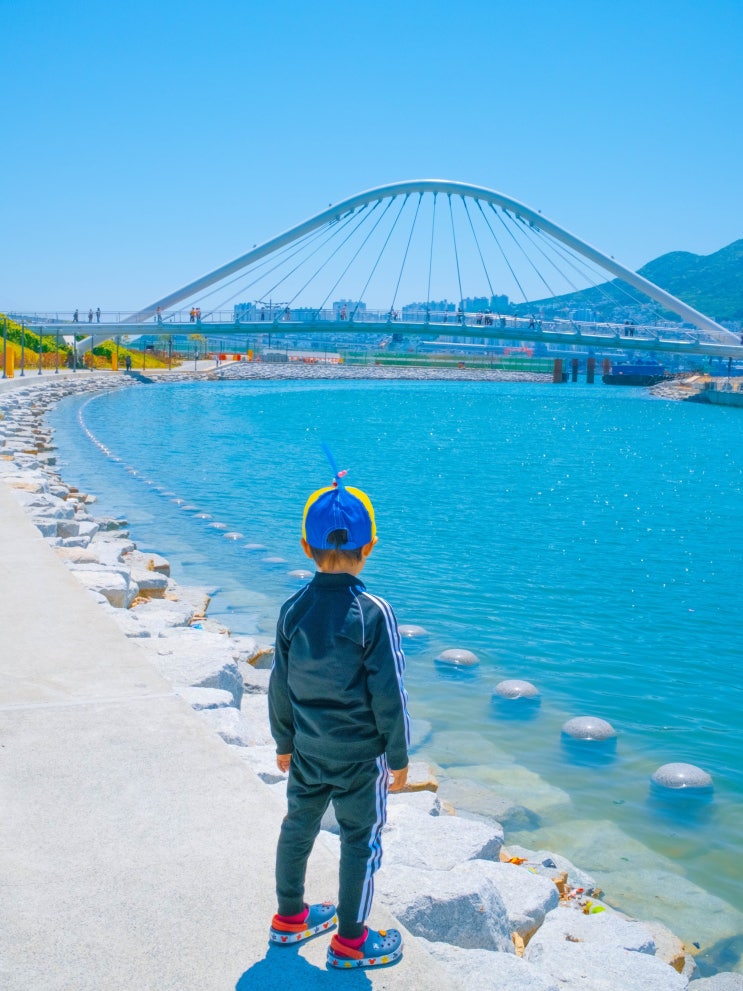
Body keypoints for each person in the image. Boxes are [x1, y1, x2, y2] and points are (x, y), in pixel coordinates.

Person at [268, 465, 409, 970]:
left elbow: (279, 685)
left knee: (298, 825)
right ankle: (350, 941)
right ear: (370, 546)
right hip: (359, 757)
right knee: (359, 841)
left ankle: (290, 917)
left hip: (307, 748)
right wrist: (398, 754)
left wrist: (283, 742)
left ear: (305, 548)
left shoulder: (291, 609)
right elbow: (389, 692)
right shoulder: (374, 612)